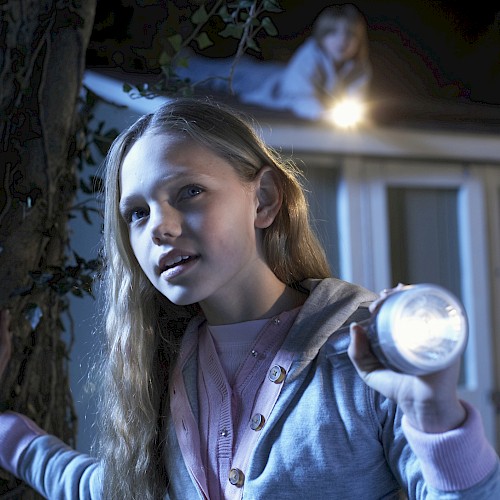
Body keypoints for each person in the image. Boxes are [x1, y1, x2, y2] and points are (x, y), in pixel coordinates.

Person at [0, 97, 499, 499]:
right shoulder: (165, 365)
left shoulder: (362, 353)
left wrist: (436, 417)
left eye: (189, 192)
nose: (160, 229)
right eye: (137, 213)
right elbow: (105, 489)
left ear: (262, 200)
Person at [178, 4, 372, 121]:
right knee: (222, 74)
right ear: (321, 37)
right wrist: (324, 114)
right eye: (333, 33)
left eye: (350, 34)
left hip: (281, 73)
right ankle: (182, 63)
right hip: (269, 83)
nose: (342, 41)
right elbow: (299, 96)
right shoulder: (310, 55)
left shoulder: (359, 69)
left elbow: (354, 99)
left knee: (238, 70)